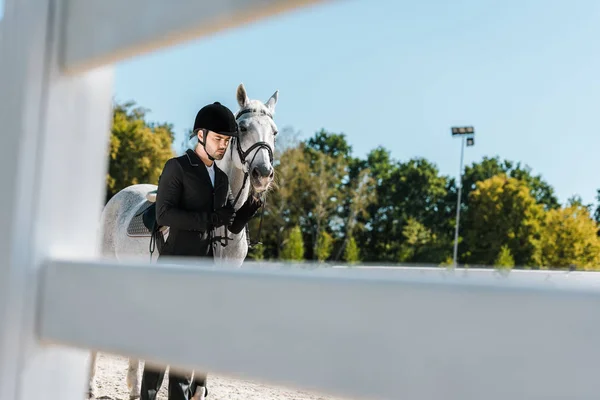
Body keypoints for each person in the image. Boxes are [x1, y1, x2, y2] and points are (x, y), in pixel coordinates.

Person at [139, 102, 264, 400]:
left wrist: (243, 215)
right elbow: (164, 215)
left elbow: (224, 226)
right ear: (200, 134)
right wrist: (208, 219)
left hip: (202, 271)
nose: (223, 145)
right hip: (172, 266)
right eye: (218, 139)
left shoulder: (221, 181)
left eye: (227, 141)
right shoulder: (177, 167)